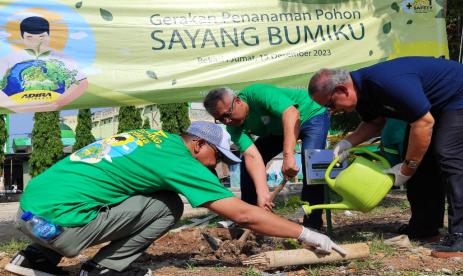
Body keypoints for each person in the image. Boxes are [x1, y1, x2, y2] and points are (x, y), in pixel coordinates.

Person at [6, 121, 344, 276]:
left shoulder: (150, 138)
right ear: (199, 145)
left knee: (130, 190)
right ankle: (103, 270)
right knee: (167, 204)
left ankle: (35, 260)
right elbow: (241, 213)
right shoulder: (179, 159)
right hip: (63, 227)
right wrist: (306, 233)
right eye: (219, 158)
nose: (218, 167)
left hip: (30, 215)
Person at [308, 56, 463, 257]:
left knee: (449, 156)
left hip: (458, 94)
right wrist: (348, 142)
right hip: (432, 107)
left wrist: (407, 167)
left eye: (331, 104)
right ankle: (425, 228)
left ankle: (461, 235)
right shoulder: (362, 94)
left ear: (342, 90)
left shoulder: (386, 83)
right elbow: (374, 123)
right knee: (417, 156)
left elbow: (423, 123)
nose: (333, 111)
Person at [203, 84, 330, 230]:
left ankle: (312, 223)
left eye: (227, 114)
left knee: (312, 166)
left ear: (237, 101)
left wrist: (288, 155)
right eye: (220, 119)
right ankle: (250, 218)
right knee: (246, 164)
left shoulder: (258, 93)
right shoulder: (233, 127)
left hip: (310, 115)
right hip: (278, 130)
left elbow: (291, 113)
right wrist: (262, 193)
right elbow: (252, 156)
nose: (227, 121)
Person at [0, 16, 87, 113]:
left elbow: (81, 83)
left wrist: (57, 103)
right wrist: (16, 106)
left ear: (48, 36)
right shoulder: (9, 59)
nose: (36, 41)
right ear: (22, 37)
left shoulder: (63, 58)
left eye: (41, 36)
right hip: (19, 114)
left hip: (57, 112)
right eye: (29, 37)